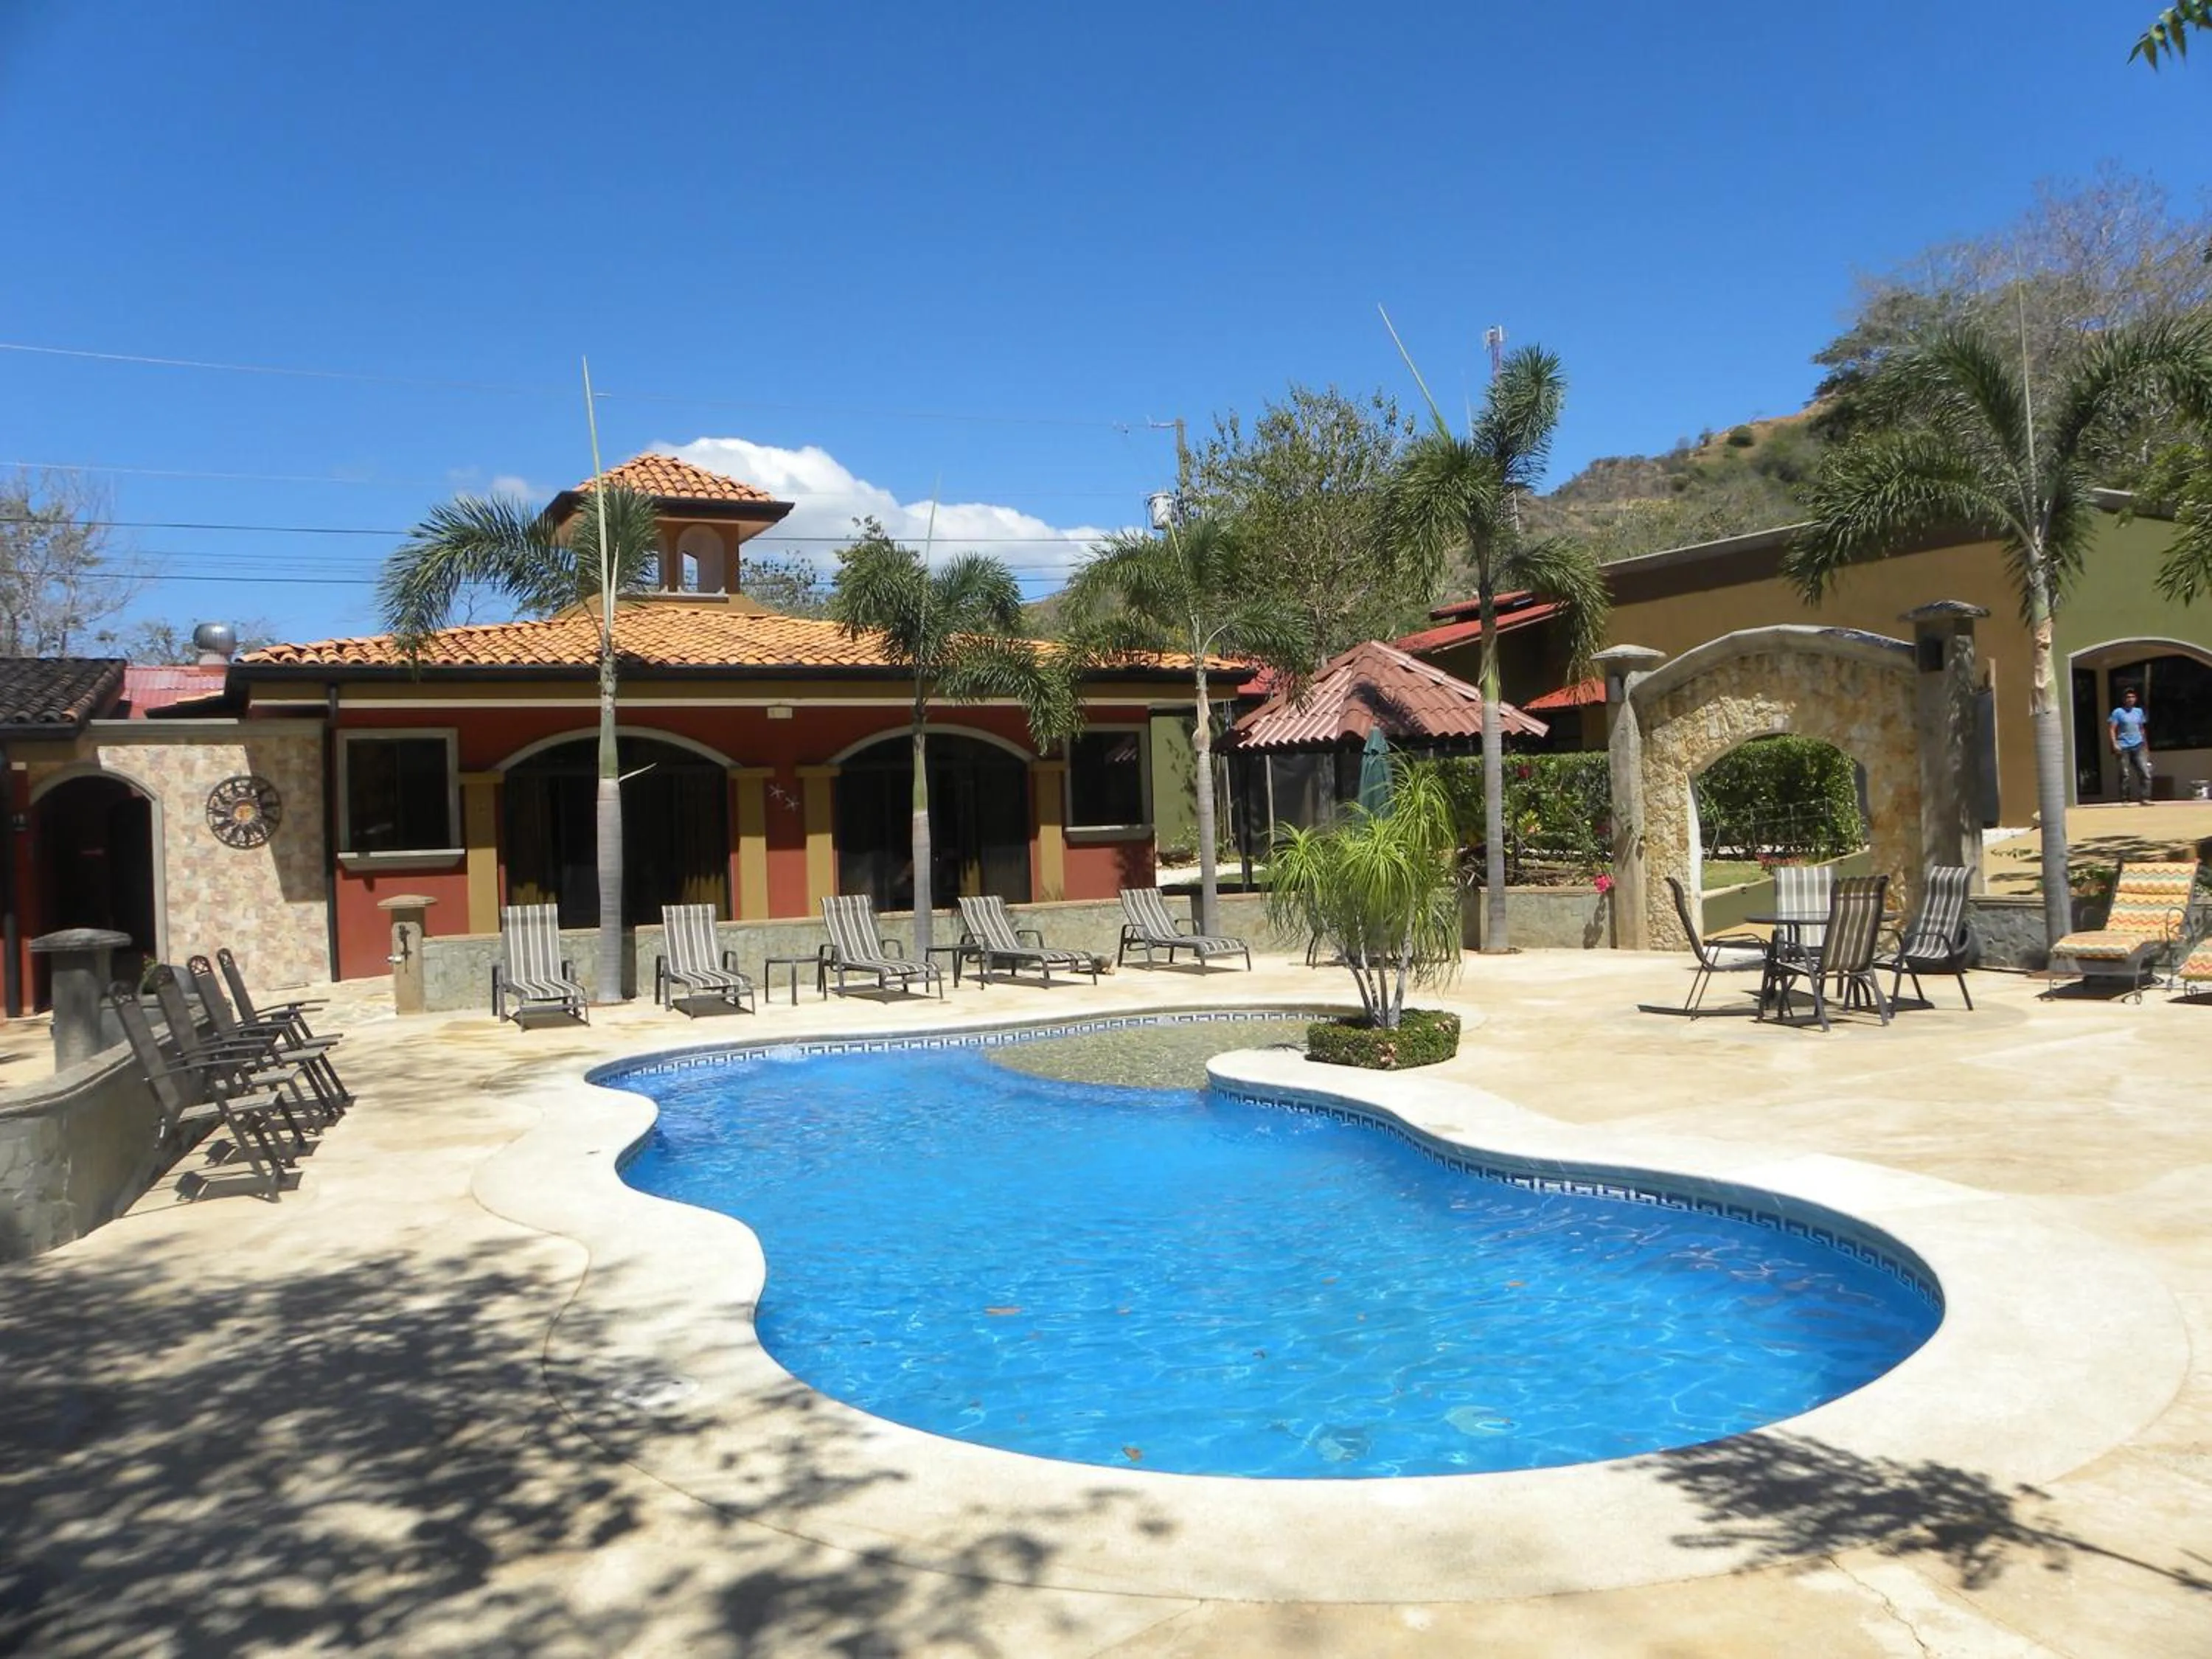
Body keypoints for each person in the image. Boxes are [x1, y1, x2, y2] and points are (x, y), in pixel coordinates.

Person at [2109, 686, 2153, 806]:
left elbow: (2142, 729)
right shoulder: (2118, 712)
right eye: (2128, 697)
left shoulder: (2139, 712)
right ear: (2124, 699)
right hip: (2123, 746)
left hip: (2138, 745)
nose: (2130, 699)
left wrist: (2146, 747)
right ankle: (2125, 799)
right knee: (2125, 773)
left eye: (2133, 697)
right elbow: (2112, 729)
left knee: (2145, 772)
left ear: (2136, 699)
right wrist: (2114, 744)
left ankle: (2145, 798)